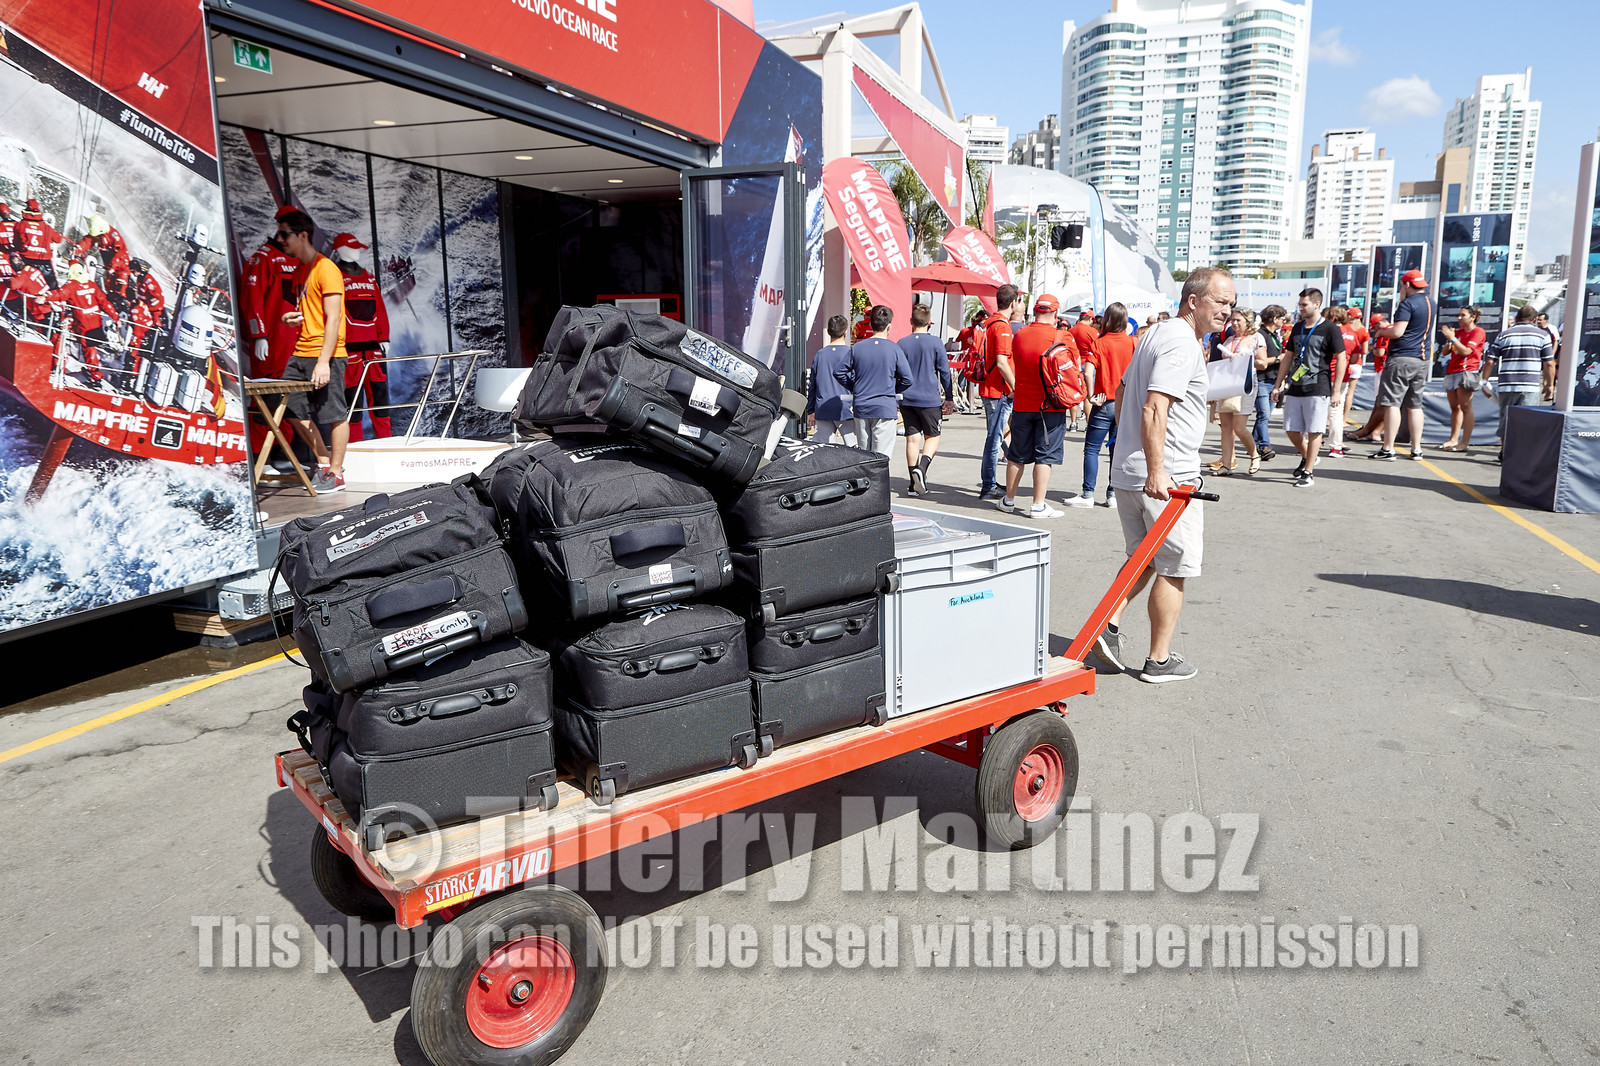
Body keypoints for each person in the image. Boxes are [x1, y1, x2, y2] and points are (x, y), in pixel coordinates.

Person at [1093, 268, 1233, 684]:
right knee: (1174, 565)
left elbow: (1122, 392)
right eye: (1221, 302)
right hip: (1165, 475)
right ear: (1194, 301)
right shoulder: (1179, 342)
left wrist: (1127, 451)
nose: (1228, 310)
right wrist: (1157, 469)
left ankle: (1110, 622)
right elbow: (1154, 407)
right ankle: (1159, 659)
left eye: (1231, 303)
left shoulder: (1157, 333)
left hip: (1133, 468)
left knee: (1145, 559)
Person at [276, 208, 350, 493]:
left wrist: (323, 362)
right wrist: (289, 318)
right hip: (301, 352)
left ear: (302, 235)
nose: (280, 239)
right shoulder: (300, 271)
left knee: (334, 413)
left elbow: (334, 318)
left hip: (326, 354)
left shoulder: (326, 268)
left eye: (285, 234)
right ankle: (322, 460)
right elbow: (311, 312)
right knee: (291, 408)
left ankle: (336, 472)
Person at [997, 294, 1074, 518]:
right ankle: (1038, 504)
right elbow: (1071, 369)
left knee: (1016, 455)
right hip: (1051, 405)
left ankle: (1008, 500)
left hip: (1022, 403)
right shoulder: (1063, 336)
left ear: (1035, 311)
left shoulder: (1020, 334)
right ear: (1056, 313)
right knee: (1045, 456)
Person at [1270, 287, 1345, 489]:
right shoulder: (1298, 327)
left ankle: (1308, 472)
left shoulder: (1330, 329)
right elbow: (1288, 357)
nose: (1301, 308)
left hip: (1318, 386)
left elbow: (1341, 358)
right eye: (1300, 304)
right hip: (1296, 385)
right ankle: (1308, 457)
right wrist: (1278, 385)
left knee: (1314, 431)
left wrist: (1336, 390)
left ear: (1316, 304)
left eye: (1304, 305)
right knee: (1292, 429)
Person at [1067, 301, 1136, 508]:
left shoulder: (1099, 342)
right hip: (1124, 404)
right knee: (1117, 449)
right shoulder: (1133, 342)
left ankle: (1088, 494)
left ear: (1106, 320)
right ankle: (1112, 494)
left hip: (1103, 401)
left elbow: (1087, 371)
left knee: (1092, 449)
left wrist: (1090, 396)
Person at [332, 233, 393, 439]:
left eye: (358, 248)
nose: (357, 251)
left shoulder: (368, 275)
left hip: (374, 349)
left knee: (380, 397)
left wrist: (384, 336)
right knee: (352, 401)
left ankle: (386, 442)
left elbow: (380, 308)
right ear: (340, 249)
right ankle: (355, 445)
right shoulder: (334, 275)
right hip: (349, 350)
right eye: (352, 248)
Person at [1370, 270, 1431, 460]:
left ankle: (1388, 448)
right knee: (1415, 405)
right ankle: (1417, 449)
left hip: (1402, 357)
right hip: (1422, 359)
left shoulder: (1407, 304)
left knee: (1392, 404)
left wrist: (1380, 334)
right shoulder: (1431, 302)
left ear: (1406, 285)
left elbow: (1397, 332)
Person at [835, 303, 911, 458]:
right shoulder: (894, 349)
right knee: (881, 457)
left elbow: (839, 371)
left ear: (870, 323)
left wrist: (854, 387)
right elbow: (907, 379)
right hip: (885, 407)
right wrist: (892, 389)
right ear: (889, 326)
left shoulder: (857, 347)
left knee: (864, 455)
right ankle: (879, 483)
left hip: (862, 406)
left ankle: (867, 482)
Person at [1484, 303, 1555, 462]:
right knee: (1528, 421)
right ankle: (1523, 457)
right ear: (1535, 319)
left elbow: (1490, 361)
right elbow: (1549, 363)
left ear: (1516, 318)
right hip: (1529, 385)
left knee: (1506, 419)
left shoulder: (1504, 335)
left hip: (1507, 385)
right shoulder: (1542, 335)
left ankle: (1505, 452)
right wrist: (1549, 385)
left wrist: (1484, 382)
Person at [897, 303, 953, 495]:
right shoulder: (936, 343)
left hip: (907, 397)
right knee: (933, 437)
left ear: (911, 321)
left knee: (912, 439)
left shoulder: (902, 343)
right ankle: (921, 469)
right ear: (930, 322)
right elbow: (944, 372)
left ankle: (913, 484)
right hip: (929, 398)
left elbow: (896, 372)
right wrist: (950, 396)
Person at [976, 284, 1019, 499]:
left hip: (991, 388)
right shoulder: (1002, 326)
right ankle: (988, 486)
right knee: (994, 439)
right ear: (1013, 303)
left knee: (995, 437)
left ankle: (990, 483)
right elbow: (1002, 363)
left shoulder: (990, 322)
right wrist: (1016, 387)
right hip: (998, 390)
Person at [1207, 308, 1262, 475]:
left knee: (1239, 427)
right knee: (1226, 426)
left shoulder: (1255, 338)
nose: (1235, 323)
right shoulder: (1229, 339)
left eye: (1239, 320)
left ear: (1248, 321)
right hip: (1227, 384)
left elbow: (1262, 362)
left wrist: (1244, 360)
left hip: (1244, 384)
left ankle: (1254, 455)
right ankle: (1227, 464)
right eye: (1233, 320)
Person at [49, 261, 120, 382]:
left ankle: (94, 376)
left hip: (82, 323)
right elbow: (104, 302)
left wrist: (45, 296)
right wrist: (115, 317)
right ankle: (93, 373)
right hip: (95, 321)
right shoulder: (91, 285)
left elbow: (60, 294)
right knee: (91, 348)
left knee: (83, 346)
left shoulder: (72, 285)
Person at [1437, 305, 1486, 452]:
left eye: (1462, 315)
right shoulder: (1457, 332)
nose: (1459, 318)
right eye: (1458, 315)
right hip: (1452, 370)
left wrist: (1452, 338)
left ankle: (1465, 442)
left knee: (1465, 407)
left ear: (1473, 317)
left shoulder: (1478, 332)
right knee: (1454, 407)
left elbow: (1466, 351)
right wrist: (1450, 340)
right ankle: (1453, 439)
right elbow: (1445, 352)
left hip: (1466, 371)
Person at [806, 314, 856, 446]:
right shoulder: (850, 353)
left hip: (823, 407)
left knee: (823, 450)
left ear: (828, 332)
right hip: (846, 408)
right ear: (846, 333)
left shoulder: (820, 354)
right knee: (855, 450)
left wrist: (810, 410)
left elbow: (813, 385)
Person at [1251, 305, 1287, 461]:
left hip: (1273, 380)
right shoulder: (1260, 335)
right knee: (1263, 415)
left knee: (1264, 416)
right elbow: (1261, 360)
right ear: (1275, 319)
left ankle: (1251, 443)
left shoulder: (1274, 335)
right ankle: (1264, 446)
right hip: (1262, 379)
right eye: (1282, 318)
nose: (1283, 322)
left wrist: (1281, 379)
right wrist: (1279, 359)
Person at [13, 199, 63, 287]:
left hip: (26, 261)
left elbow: (16, 244)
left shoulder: (20, 225)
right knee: (53, 289)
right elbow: (58, 239)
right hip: (44, 263)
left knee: (26, 287)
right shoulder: (47, 227)